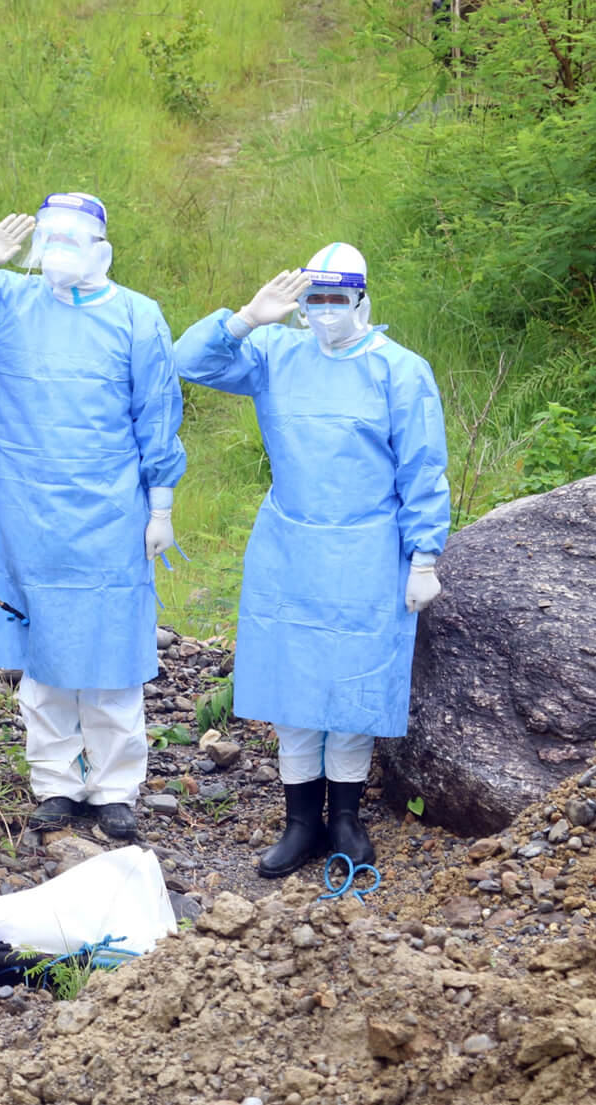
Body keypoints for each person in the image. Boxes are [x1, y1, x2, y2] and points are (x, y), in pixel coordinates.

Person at [0, 194, 187, 842]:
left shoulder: (137, 318)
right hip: (28, 513)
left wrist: (160, 503)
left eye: (73, 237)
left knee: (111, 659)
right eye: (49, 236)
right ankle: (57, 783)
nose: (59, 247)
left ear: (102, 250)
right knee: (42, 659)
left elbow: (158, 415)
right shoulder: (7, 301)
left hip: (110, 516)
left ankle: (115, 789)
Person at [172, 243, 450, 877]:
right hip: (290, 544)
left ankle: (346, 820)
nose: (326, 314)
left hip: (368, 547)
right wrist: (246, 318)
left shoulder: (398, 371)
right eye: (314, 301)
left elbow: (422, 467)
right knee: (293, 683)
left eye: (337, 301)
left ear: (363, 302)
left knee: (352, 681)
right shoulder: (276, 354)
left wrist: (423, 555)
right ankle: (300, 823)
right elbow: (191, 360)